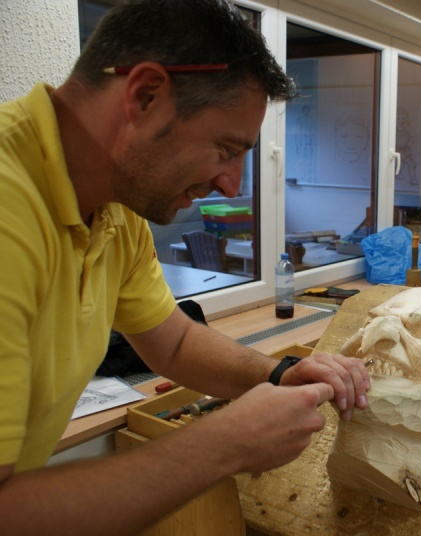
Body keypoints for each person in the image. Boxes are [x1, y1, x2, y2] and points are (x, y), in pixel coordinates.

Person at [0, 1, 369, 534]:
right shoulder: (10, 211)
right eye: (225, 149)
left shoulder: (114, 207)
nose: (230, 184)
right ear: (145, 95)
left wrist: (278, 373)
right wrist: (222, 445)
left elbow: (171, 342)